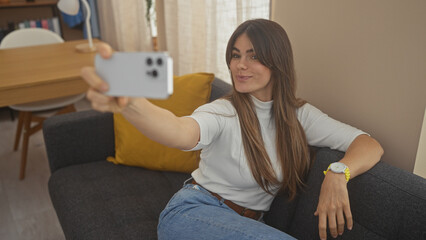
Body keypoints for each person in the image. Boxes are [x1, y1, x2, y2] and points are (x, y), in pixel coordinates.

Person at [81, 19, 383, 240]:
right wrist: (129, 103)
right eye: (236, 55)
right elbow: (178, 131)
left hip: (247, 225)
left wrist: (338, 172)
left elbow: (368, 144)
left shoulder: (299, 116)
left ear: (277, 62)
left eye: (253, 55)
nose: (240, 65)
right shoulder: (224, 111)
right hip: (193, 212)